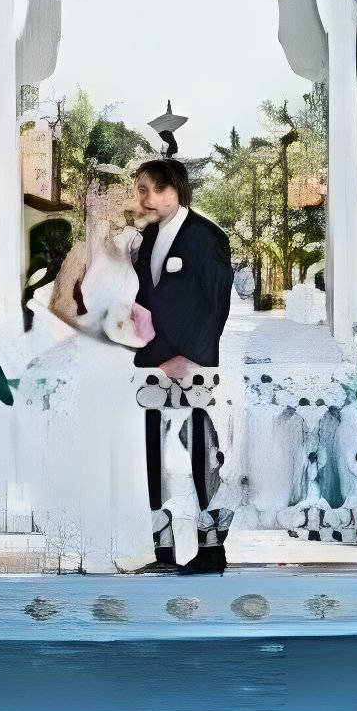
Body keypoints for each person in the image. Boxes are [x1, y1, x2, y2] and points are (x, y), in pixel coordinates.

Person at [29, 172, 156, 574]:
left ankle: (123, 545)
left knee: (123, 446)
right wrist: (97, 329)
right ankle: (91, 546)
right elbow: (60, 306)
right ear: (88, 203)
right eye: (98, 198)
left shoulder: (127, 249)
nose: (107, 204)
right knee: (93, 448)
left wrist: (133, 327)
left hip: (124, 360)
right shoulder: (82, 251)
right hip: (94, 356)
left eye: (113, 196)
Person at [131, 156, 235, 574]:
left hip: (193, 366)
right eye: (142, 189)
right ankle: (162, 549)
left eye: (159, 189)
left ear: (179, 191)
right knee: (153, 455)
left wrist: (190, 354)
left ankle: (211, 551)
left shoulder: (206, 237)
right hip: (151, 363)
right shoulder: (146, 238)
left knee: (199, 454)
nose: (149, 198)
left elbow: (217, 305)